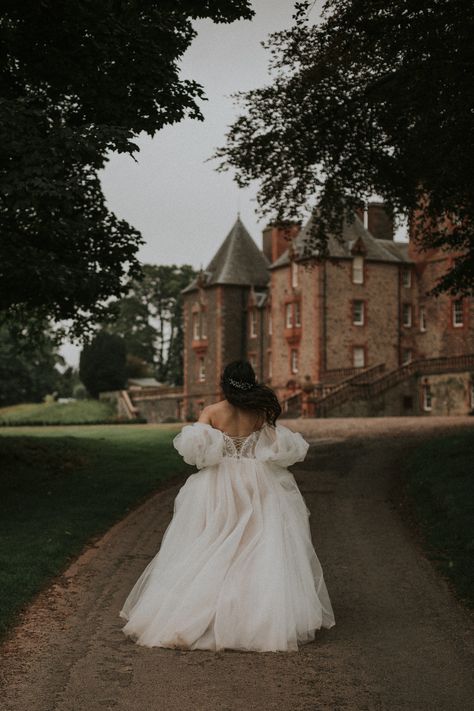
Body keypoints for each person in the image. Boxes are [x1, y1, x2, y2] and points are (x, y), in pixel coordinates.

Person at [120, 360, 335, 652]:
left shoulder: (212, 412)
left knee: (211, 542)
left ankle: (206, 611)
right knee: (256, 544)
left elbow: (197, 453)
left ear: (224, 382)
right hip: (258, 482)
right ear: (251, 382)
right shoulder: (260, 413)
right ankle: (254, 614)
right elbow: (279, 451)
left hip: (219, 482)